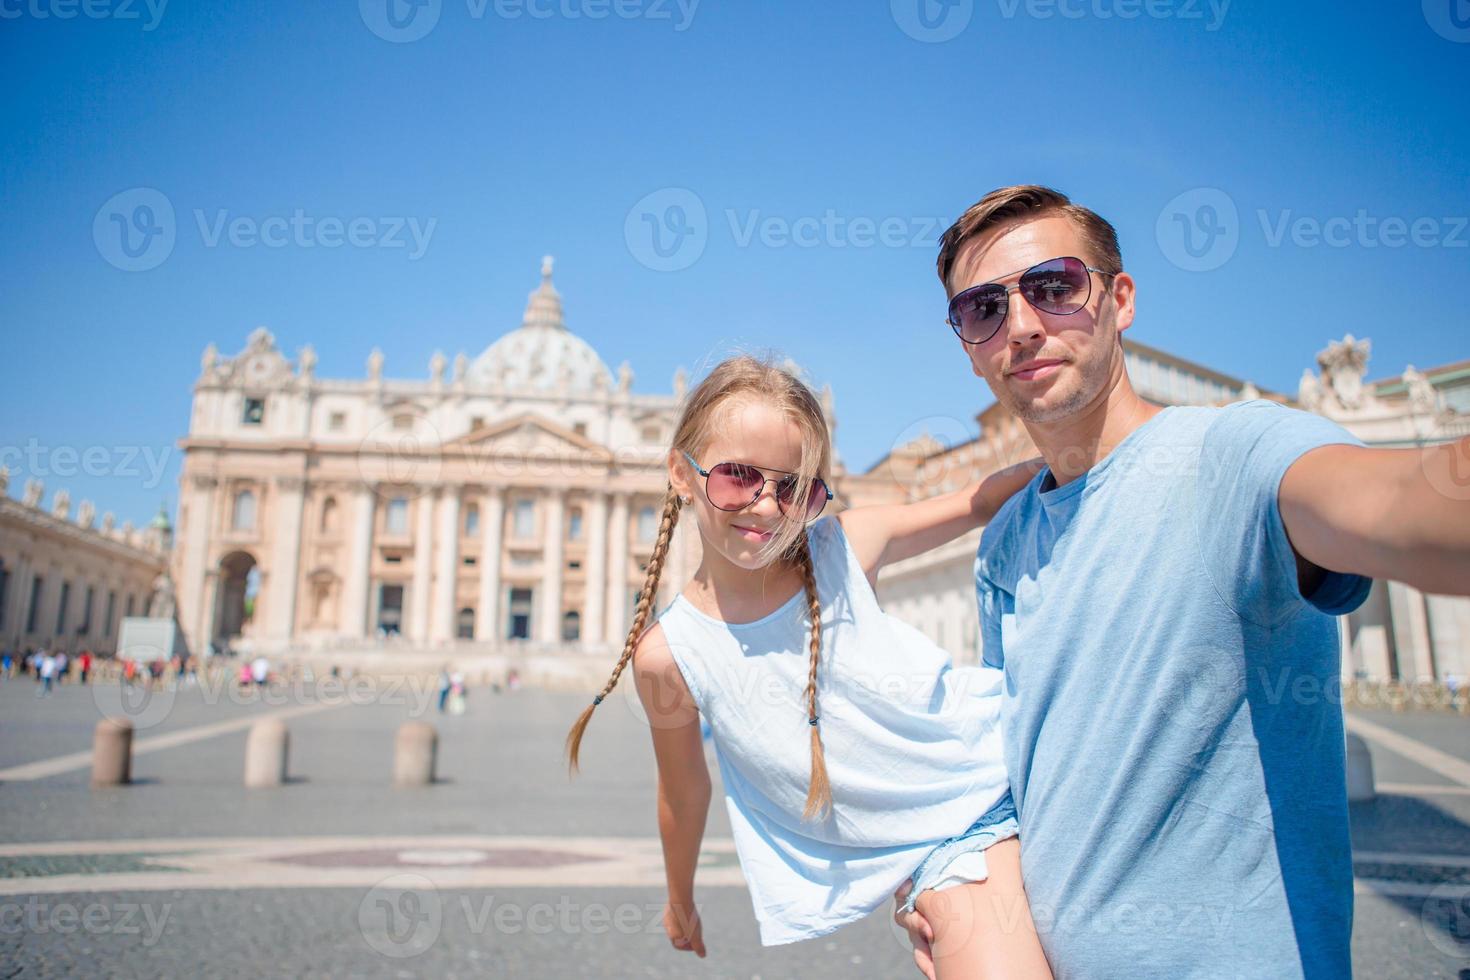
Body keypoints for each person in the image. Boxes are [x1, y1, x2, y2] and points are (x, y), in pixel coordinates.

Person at [894, 185, 1470, 979]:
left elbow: (1404, 503)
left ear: (1119, 300)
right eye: (983, 308)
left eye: (1054, 287)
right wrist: (963, 908)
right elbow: (1009, 783)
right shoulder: (1005, 545)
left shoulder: (1235, 453)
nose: (1022, 325)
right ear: (967, 344)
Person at [566, 356, 1051, 977]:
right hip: (958, 833)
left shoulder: (844, 546)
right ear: (680, 475)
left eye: (794, 487)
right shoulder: (668, 656)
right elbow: (684, 791)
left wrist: (1076, 459)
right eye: (738, 478)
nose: (767, 507)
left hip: (1013, 761)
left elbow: (974, 502)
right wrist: (679, 897)